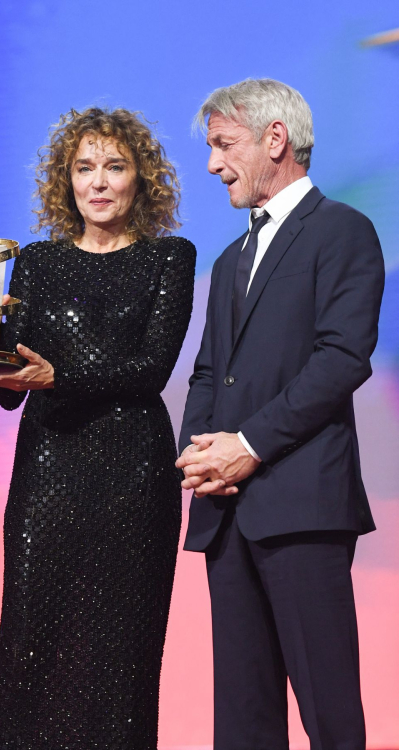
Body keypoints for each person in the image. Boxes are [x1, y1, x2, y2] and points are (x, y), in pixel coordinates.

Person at [0, 107, 196, 749]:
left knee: (120, 657)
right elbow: (13, 395)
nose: (98, 182)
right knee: (31, 644)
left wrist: (54, 377)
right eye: (84, 167)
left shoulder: (169, 259)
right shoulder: (35, 262)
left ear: (140, 179)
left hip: (133, 480)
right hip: (47, 478)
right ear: (64, 181)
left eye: (114, 167)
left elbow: (149, 369)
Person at [176, 79, 384, 750]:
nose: (213, 165)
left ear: (276, 139)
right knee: (242, 718)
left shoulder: (343, 231)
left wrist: (249, 444)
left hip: (302, 507)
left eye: (223, 145)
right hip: (227, 510)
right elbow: (209, 372)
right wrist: (200, 457)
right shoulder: (231, 258)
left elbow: (342, 359)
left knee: (329, 714)